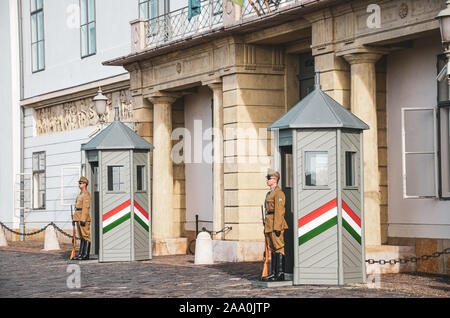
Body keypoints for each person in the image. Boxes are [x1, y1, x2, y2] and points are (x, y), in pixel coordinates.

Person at [262, 169, 288, 281]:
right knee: (272, 249)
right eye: (267, 178)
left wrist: (277, 227)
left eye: (269, 178)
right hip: (269, 224)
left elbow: (279, 211)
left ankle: (280, 273)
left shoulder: (279, 193)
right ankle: (273, 272)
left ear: (275, 179)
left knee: (279, 248)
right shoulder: (269, 193)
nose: (267, 180)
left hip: (275, 224)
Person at [72, 176, 91, 260]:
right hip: (78, 216)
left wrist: (83, 219)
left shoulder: (86, 194)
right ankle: (80, 254)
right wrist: (74, 219)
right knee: (81, 236)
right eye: (79, 183)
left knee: (85, 236)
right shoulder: (80, 194)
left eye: (80, 183)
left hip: (83, 218)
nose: (79, 184)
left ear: (85, 184)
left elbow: (86, 208)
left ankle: (86, 255)